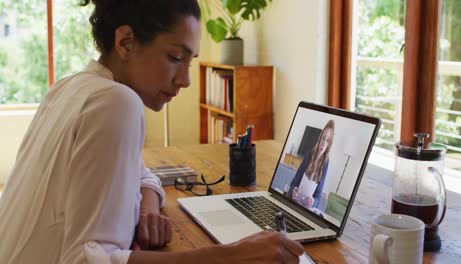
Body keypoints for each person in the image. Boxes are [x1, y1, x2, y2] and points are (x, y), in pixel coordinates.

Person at [0, 1, 304, 263]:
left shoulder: (68, 87)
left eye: (190, 61)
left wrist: (147, 207)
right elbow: (85, 260)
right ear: (126, 42)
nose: (185, 80)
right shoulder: (117, 102)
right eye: (174, 58)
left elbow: (141, 172)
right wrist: (232, 256)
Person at [287, 120, 335, 209]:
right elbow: (293, 184)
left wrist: (313, 202)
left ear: (329, 144)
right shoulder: (309, 155)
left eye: (327, 141)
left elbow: (318, 196)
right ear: (320, 138)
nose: (324, 144)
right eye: (323, 138)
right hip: (294, 203)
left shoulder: (326, 163)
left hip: (306, 209)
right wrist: (293, 191)